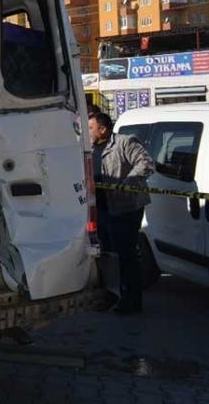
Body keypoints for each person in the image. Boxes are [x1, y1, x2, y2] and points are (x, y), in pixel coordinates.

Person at [88, 112, 154, 314]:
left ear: (103, 129)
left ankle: (131, 301)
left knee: (126, 254)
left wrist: (128, 183)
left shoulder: (124, 143)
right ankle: (111, 295)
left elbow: (146, 164)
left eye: (91, 128)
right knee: (107, 253)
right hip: (102, 208)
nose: (87, 131)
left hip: (126, 208)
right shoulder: (89, 148)